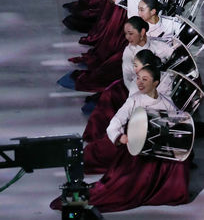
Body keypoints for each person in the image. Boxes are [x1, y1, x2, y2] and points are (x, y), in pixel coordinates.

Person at [55, 62, 190, 212]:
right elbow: (115, 123)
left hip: (157, 151)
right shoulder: (134, 100)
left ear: (156, 83)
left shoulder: (166, 103)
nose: (139, 82)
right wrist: (119, 137)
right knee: (123, 187)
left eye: (145, 79)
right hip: (136, 152)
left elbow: (176, 122)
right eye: (138, 78)